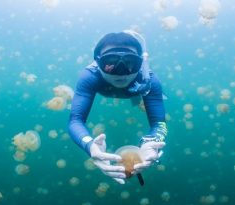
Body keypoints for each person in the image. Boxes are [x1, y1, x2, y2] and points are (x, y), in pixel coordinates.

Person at [68, 30, 167, 184]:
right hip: (131, 88)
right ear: (97, 61)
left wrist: (151, 142)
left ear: (141, 62)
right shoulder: (90, 76)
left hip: (137, 90)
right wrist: (90, 146)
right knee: (136, 94)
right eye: (110, 63)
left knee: (138, 96)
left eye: (130, 62)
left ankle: (137, 98)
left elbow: (158, 124)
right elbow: (75, 121)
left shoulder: (149, 81)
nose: (121, 72)